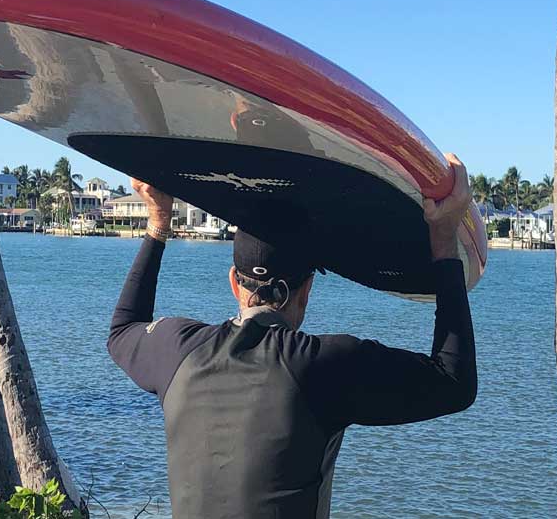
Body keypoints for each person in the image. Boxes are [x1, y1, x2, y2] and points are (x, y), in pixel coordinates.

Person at [107, 154, 477, 519]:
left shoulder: (177, 350)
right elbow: (453, 381)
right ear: (306, 291)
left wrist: (158, 224)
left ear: (235, 283)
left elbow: (123, 329)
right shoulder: (324, 367)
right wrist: (443, 241)